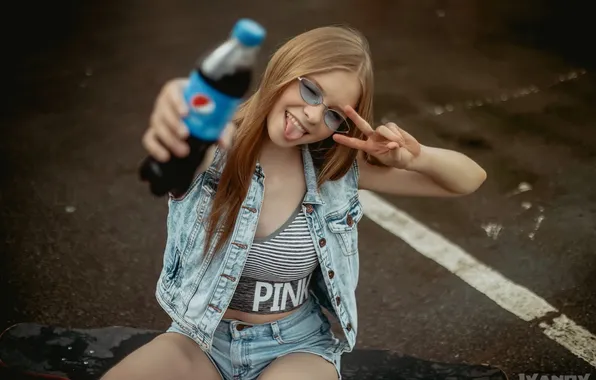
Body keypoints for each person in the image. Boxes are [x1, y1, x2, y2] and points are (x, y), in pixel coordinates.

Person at [102, 25, 487, 380]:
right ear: (283, 70)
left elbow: (468, 180)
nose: (313, 114)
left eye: (334, 113)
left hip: (296, 348)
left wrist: (414, 158)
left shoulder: (334, 171)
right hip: (199, 339)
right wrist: (181, 118)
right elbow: (181, 150)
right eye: (310, 90)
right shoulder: (217, 146)